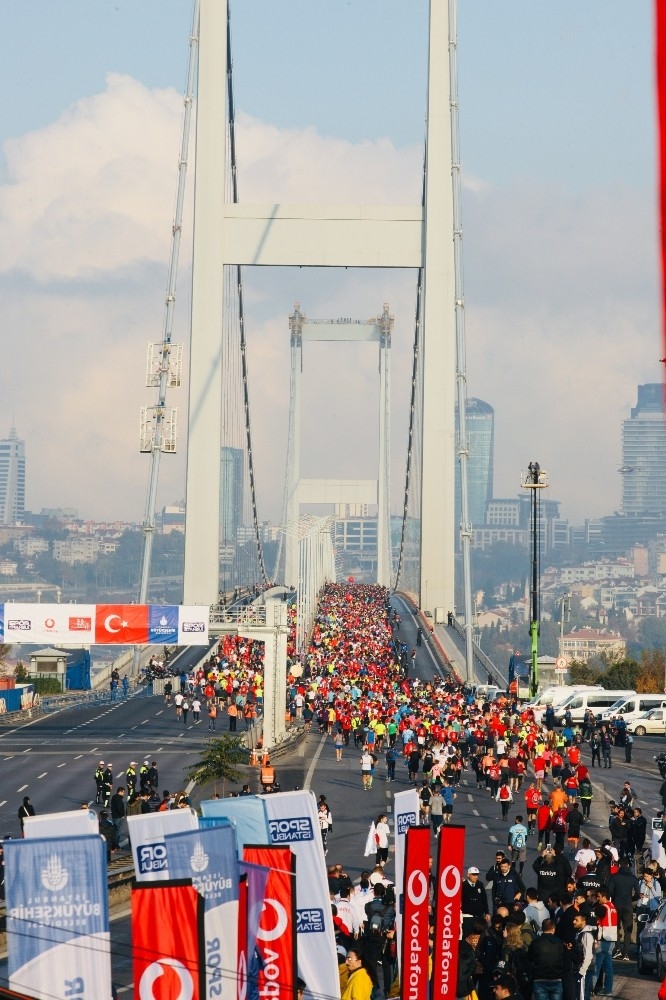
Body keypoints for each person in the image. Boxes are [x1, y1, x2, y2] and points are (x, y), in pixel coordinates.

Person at [528, 917, 564, 1000]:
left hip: (539, 977)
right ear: (553, 928)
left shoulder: (535, 943)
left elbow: (529, 958)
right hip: (556, 977)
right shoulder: (559, 942)